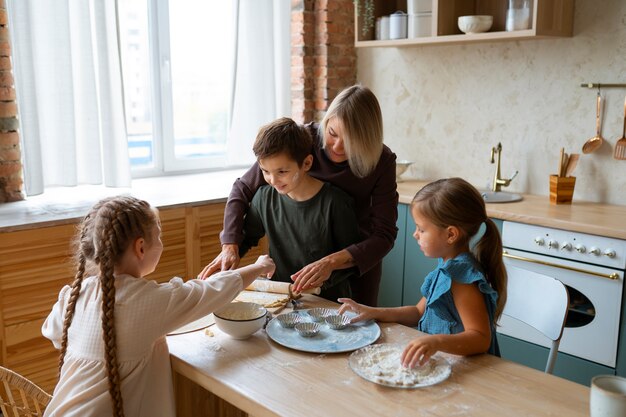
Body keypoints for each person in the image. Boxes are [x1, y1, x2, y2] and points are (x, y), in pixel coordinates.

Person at [41, 196, 275, 417]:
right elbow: (212, 290)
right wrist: (258, 266)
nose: (161, 243)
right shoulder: (148, 302)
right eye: (159, 236)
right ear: (140, 247)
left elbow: (53, 334)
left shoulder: (73, 295)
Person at [199, 85, 398, 306]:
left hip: (355, 261)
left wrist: (331, 262)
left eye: (351, 140)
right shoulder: (304, 138)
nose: (338, 146)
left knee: (357, 329)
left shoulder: (382, 161)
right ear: (326, 122)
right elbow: (243, 189)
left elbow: (384, 235)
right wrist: (230, 246)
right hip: (296, 269)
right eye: (332, 133)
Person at [338, 178, 507, 368]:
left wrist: (436, 342)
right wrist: (372, 312)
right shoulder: (446, 266)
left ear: (451, 234)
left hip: (474, 373)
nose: (415, 234)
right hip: (448, 363)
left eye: (421, 229)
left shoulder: (462, 277)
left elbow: (480, 338)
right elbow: (419, 311)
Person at [238, 117, 361, 301]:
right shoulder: (264, 198)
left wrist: (321, 280)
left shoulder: (335, 202)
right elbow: (246, 238)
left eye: (282, 172)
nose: (273, 180)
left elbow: (352, 260)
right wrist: (227, 258)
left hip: (328, 302)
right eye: (265, 171)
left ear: (306, 164)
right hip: (282, 299)